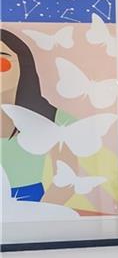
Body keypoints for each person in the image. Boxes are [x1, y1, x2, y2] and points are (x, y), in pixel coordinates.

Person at [0, 28, 69, 204]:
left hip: (32, 205)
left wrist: (41, 214)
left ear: (23, 65)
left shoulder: (55, 118)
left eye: (1, 61)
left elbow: (69, 180)